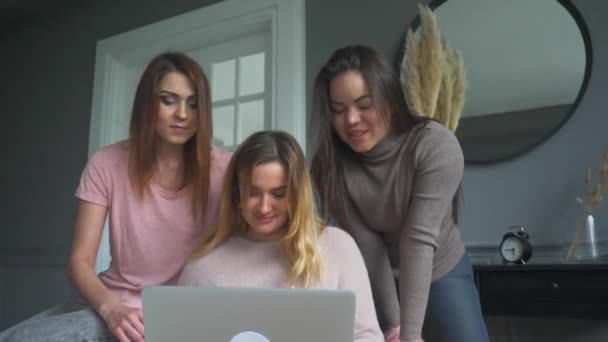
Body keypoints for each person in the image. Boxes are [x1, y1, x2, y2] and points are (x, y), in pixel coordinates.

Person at [0, 52, 231, 342]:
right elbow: (80, 260)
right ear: (147, 104)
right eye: (168, 100)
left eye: (193, 103)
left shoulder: (225, 169)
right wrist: (111, 309)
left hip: (180, 313)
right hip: (109, 304)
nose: (182, 114)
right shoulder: (106, 163)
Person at [310, 45, 489, 342]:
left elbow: (418, 238)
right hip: (378, 278)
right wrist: (395, 325)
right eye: (338, 110)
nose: (351, 119)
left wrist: (412, 334)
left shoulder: (435, 146)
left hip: (439, 268)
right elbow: (369, 246)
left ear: (389, 100)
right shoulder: (328, 165)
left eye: (364, 105)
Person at [178, 130, 383, 342]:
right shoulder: (204, 264)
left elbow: (368, 336)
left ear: (297, 194)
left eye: (279, 194)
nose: (264, 207)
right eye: (253, 192)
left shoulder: (338, 247)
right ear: (237, 193)